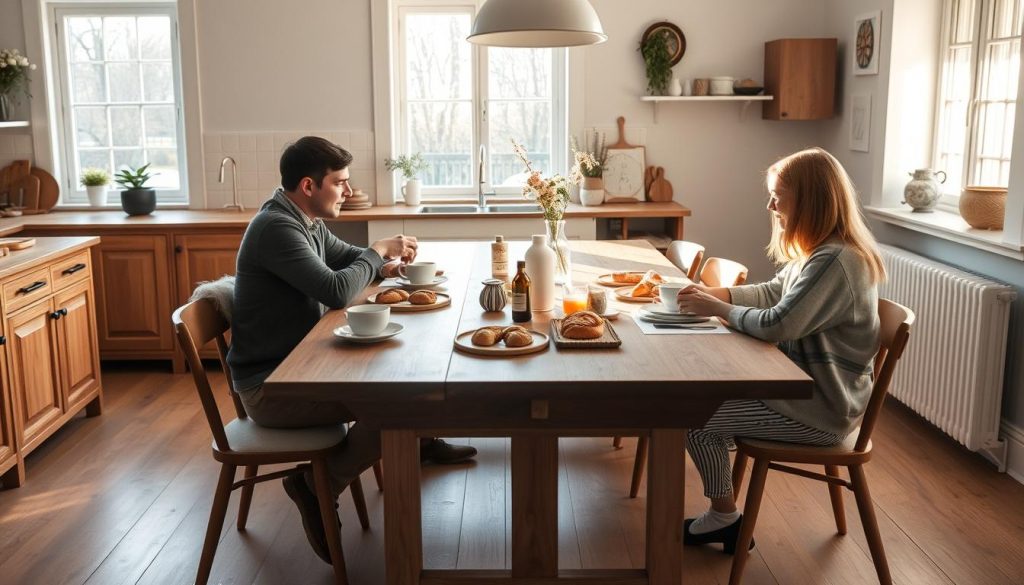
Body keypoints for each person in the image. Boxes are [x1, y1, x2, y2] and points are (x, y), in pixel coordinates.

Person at [226, 136, 476, 563]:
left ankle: (420, 441)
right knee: (398, 404)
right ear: (309, 185)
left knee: (401, 370)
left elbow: (347, 259)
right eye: (340, 183)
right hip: (271, 390)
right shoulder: (277, 228)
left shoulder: (304, 220)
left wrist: (386, 262)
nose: (347, 191)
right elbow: (339, 290)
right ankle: (318, 484)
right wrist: (378, 252)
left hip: (300, 367)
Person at [674, 147, 885, 553]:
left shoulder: (836, 261)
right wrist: (713, 293)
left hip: (820, 409)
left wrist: (718, 308)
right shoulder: (822, 251)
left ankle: (724, 519)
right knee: (700, 402)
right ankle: (723, 513)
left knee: (693, 419)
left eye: (779, 195)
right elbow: (773, 292)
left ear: (810, 199)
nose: (770, 205)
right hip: (805, 393)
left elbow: (778, 324)